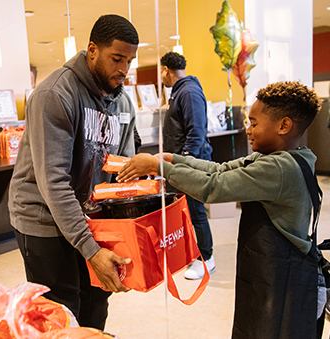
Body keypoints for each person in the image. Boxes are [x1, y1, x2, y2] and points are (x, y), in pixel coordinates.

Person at [117, 81, 322, 338]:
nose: (248, 129)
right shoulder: (284, 157)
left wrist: (160, 168)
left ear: (284, 125)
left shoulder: (279, 168)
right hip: (268, 271)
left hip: (281, 277)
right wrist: (175, 159)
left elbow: (214, 187)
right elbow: (221, 169)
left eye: (254, 123)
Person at [7, 14, 139, 330]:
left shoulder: (123, 105)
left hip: (91, 215)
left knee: (96, 300)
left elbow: (123, 172)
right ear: (92, 50)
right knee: (62, 313)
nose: (123, 69)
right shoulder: (54, 94)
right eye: (116, 59)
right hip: (43, 219)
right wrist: (90, 249)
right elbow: (54, 182)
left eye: (130, 61)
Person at [160, 51, 215, 279]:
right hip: (180, 164)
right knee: (186, 213)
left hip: (189, 165)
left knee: (195, 212)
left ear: (166, 70)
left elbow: (197, 132)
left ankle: (206, 258)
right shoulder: (180, 92)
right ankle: (193, 255)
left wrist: (184, 161)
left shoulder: (189, 91)